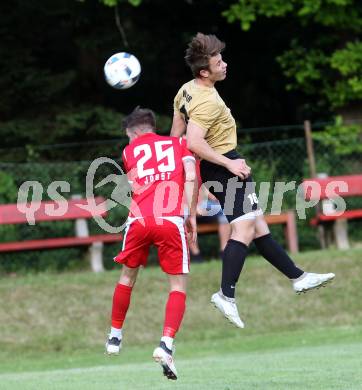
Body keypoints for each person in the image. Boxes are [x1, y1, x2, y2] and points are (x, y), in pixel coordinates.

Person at [170, 33, 335, 329]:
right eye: (218, 63)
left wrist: (183, 164)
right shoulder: (206, 100)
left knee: (258, 226)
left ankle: (297, 277)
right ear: (204, 72)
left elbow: (176, 134)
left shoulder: (186, 90)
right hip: (224, 166)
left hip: (218, 166)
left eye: (222, 59)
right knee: (244, 227)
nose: (225, 65)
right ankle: (226, 295)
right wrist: (229, 163)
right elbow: (193, 142)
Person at [105, 106, 198, 381]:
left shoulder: (128, 151)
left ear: (132, 133)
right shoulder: (179, 144)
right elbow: (190, 177)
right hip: (170, 219)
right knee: (178, 286)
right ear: (152, 127)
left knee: (127, 278)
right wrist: (190, 214)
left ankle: (114, 336)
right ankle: (166, 344)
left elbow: (135, 183)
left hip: (139, 220)